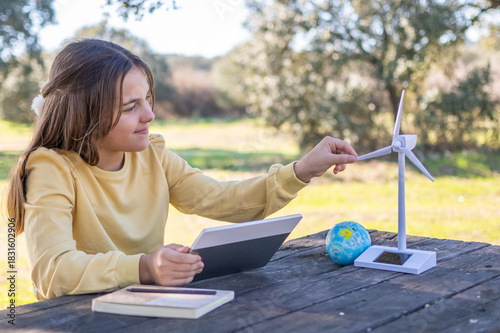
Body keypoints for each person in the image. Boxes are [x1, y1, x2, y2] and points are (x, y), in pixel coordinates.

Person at [7, 39, 358, 300]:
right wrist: (144, 267)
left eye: (147, 99)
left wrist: (301, 170)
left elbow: (222, 200)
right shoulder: (51, 168)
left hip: (148, 312)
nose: (149, 114)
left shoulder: (153, 156)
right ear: (85, 112)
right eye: (131, 107)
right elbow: (53, 272)